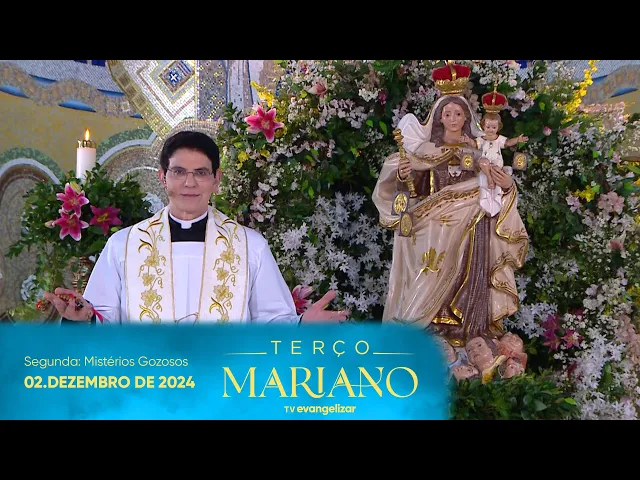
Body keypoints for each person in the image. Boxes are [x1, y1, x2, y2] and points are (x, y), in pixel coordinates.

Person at [43, 127, 348, 325]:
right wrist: (83, 320)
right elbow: (103, 319)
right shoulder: (124, 245)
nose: (189, 183)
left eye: (201, 173)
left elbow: (271, 322)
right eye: (178, 172)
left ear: (217, 179)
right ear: (163, 177)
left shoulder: (249, 246)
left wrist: (302, 325)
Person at [372, 62, 529, 348]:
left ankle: (469, 333)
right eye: (447, 113)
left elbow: (496, 188)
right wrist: (404, 176)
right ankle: (429, 329)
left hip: (473, 224)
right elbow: (413, 191)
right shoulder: (426, 151)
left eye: (458, 113)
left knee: (470, 270)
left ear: (467, 117)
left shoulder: (479, 149)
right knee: (431, 272)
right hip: (433, 226)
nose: (453, 118)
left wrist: (506, 185)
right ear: (439, 118)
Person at [475, 86, 529, 217]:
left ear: (498, 127)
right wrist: (466, 140)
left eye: (493, 127)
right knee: (483, 162)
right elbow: (474, 144)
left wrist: (518, 139)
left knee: (496, 171)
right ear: (483, 126)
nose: (490, 129)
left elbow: (508, 142)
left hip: (496, 164)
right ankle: (489, 179)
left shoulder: (499, 139)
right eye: (488, 127)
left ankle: (492, 184)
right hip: (485, 166)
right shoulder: (481, 139)